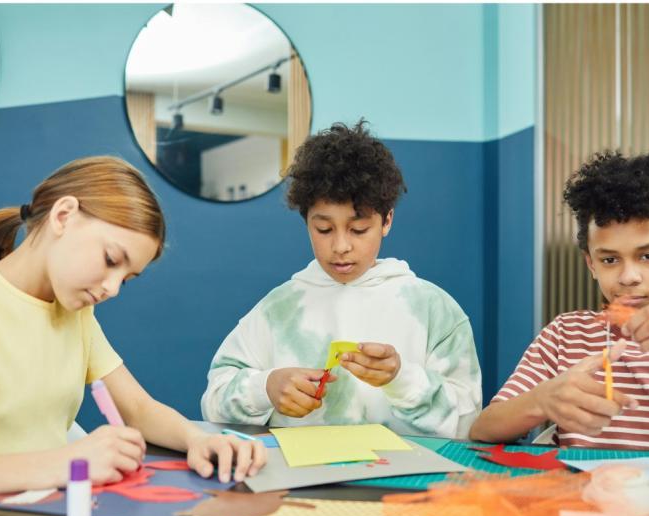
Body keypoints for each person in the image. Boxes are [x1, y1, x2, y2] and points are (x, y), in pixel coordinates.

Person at [0, 156, 266, 501]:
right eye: (111, 260)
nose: (112, 289)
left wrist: (199, 440)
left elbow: (138, 409)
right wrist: (64, 462)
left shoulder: (77, 315)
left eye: (126, 280)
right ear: (63, 215)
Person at [201, 121, 482, 438]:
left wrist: (402, 379)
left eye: (358, 229)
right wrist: (266, 388)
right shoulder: (278, 309)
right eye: (323, 229)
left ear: (386, 220)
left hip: (400, 481)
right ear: (306, 221)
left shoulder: (432, 309)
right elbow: (214, 399)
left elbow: (470, 422)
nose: (341, 247)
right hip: (297, 477)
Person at [470, 149, 649, 452]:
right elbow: (483, 428)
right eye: (610, 260)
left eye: (648, 256)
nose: (628, 277)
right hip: (587, 496)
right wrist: (542, 400)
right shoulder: (564, 335)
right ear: (591, 264)